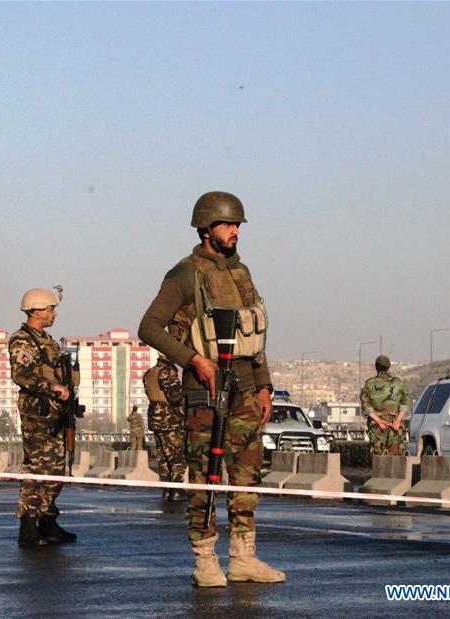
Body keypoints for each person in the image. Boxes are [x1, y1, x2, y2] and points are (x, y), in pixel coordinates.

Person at [139, 190, 284, 587]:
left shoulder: (242, 273)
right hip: (205, 390)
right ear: (207, 229)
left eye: (238, 225)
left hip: (246, 391)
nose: (235, 231)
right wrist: (194, 360)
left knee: (248, 476)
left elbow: (254, 332)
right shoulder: (184, 274)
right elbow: (149, 327)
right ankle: (206, 560)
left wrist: (265, 386)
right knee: (204, 476)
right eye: (228, 225)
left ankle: (244, 558)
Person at [8, 287, 77, 547]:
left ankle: (48, 520)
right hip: (38, 413)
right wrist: (53, 388)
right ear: (37, 310)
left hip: (56, 412)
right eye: (51, 308)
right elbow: (21, 374)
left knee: (56, 468)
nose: (54, 313)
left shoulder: (47, 339)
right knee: (37, 468)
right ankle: (28, 524)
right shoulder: (23, 340)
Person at [143, 356, 187, 501]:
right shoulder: (167, 372)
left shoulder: (150, 373)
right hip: (170, 418)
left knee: (163, 456)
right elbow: (175, 396)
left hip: (155, 417)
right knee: (176, 455)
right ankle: (176, 489)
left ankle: (167, 489)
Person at [360, 355, 410, 456]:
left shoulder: (369, 384)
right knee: (397, 460)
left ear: (376, 367)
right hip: (395, 427)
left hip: (377, 428)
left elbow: (366, 407)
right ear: (389, 367)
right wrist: (397, 421)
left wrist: (379, 422)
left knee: (379, 460)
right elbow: (406, 403)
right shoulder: (399, 383)